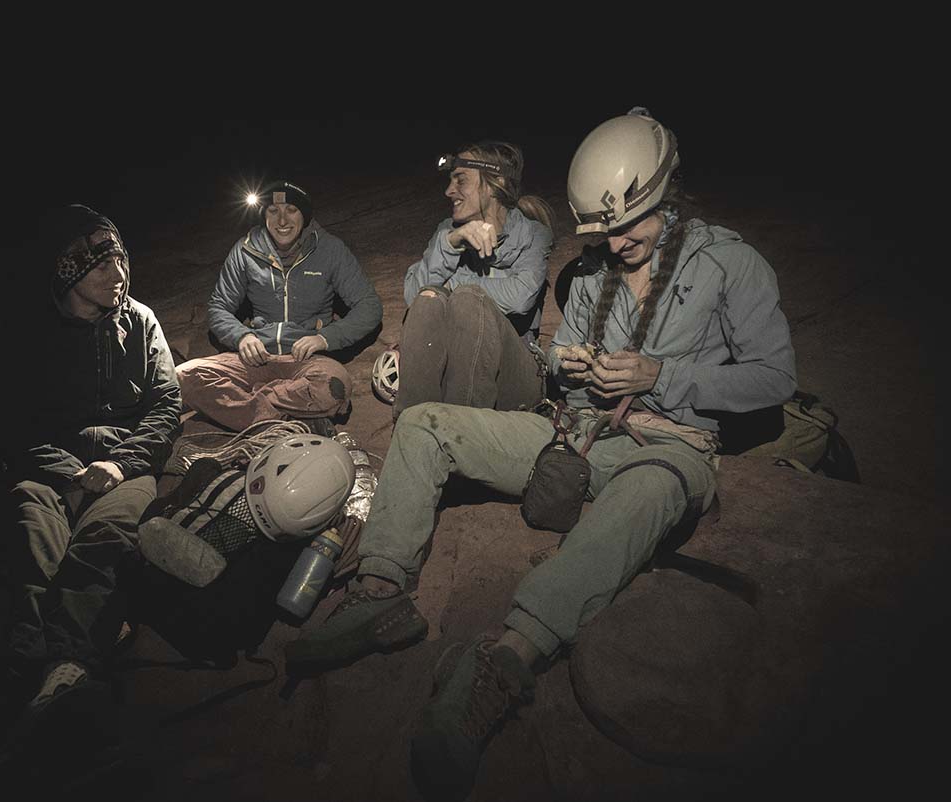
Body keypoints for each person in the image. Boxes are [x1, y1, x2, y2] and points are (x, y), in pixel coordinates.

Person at [285, 110, 797, 800]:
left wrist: (660, 377)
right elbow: (558, 356)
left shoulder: (730, 264)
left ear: (666, 194)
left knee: (640, 501)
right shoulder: (593, 271)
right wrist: (572, 360)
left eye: (628, 226)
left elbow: (774, 378)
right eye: (602, 231)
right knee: (427, 424)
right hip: (577, 432)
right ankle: (381, 591)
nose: (615, 243)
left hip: (668, 449)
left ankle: (506, 657)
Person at [0, 204, 181, 737]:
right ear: (69, 270)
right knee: (32, 523)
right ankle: (27, 656)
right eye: (102, 267)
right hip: (50, 462)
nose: (118, 276)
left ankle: (68, 664)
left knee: (105, 534)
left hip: (124, 461)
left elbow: (165, 406)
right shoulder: (30, 331)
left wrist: (120, 464)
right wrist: (70, 474)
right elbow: (6, 420)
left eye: (120, 262)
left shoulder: (141, 321)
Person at [175, 180, 382, 431]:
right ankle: (284, 420)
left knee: (333, 386)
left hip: (306, 359)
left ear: (304, 215)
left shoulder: (329, 250)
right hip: (256, 357)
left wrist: (325, 338)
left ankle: (247, 412)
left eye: (291, 210)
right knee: (182, 376)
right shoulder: (245, 250)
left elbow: (369, 305)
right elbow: (219, 306)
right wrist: (242, 336)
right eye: (273, 211)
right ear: (264, 216)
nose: (282, 220)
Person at [391, 141, 555, 421]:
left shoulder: (534, 235)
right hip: (457, 365)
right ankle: (411, 427)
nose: (449, 190)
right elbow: (414, 298)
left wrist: (453, 285)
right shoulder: (447, 231)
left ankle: (460, 432)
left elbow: (519, 298)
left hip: (515, 372)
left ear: (494, 184)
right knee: (429, 300)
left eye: (461, 180)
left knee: (468, 300)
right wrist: (450, 244)